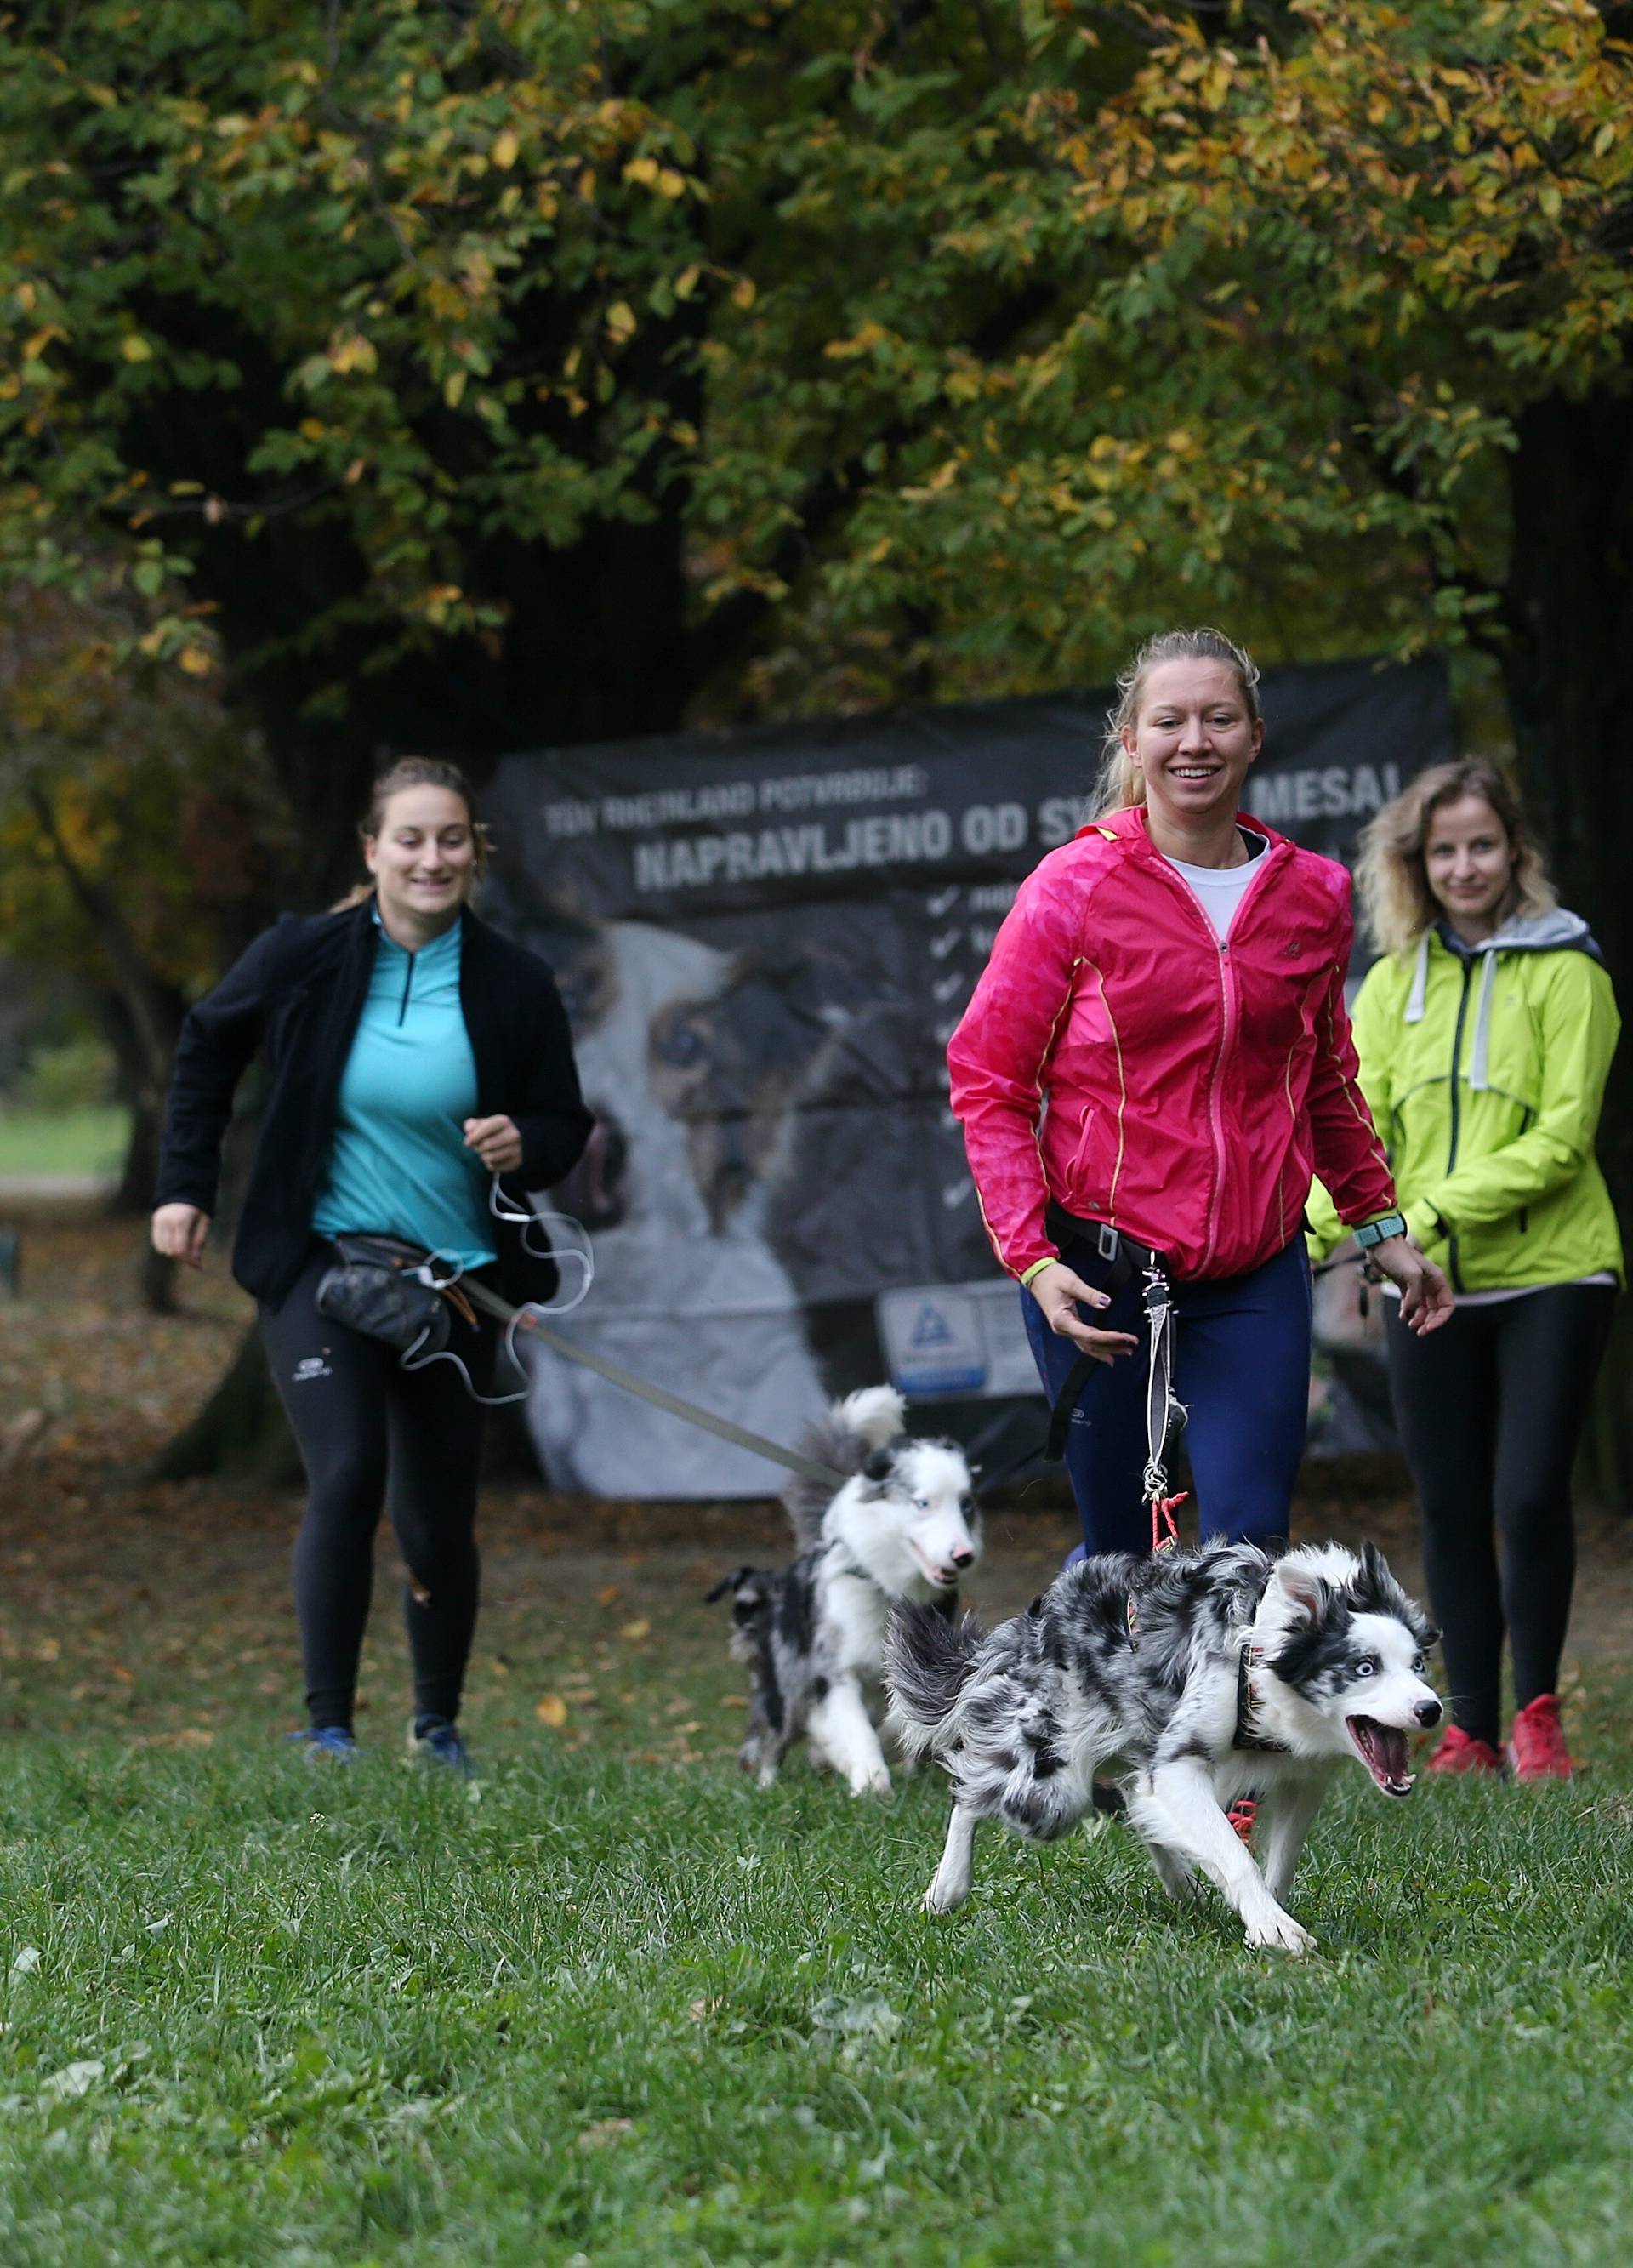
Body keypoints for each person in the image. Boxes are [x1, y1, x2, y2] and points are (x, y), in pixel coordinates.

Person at [947, 627, 1452, 1568]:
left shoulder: (1313, 894)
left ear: (1255, 735)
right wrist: (1032, 1258)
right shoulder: (1074, 886)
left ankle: (1218, 1717)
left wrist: (1381, 1229)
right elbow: (990, 1077)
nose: (1196, 741)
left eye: (1220, 718)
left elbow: (1326, 1079)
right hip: (1096, 1273)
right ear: (1132, 742)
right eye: (1170, 720)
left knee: (1246, 1550)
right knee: (1123, 1554)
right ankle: (1091, 1711)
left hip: (1253, 1276)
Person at [151, 758, 593, 1769]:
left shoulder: (515, 981)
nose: (430, 858)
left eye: (450, 840)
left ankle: (436, 1725)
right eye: (410, 838)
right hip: (323, 1264)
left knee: (436, 1521)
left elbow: (566, 1122)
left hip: (458, 1284)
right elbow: (207, 1044)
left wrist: (527, 1140)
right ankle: (328, 1729)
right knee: (347, 1474)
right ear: (372, 850)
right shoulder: (302, 954)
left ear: (473, 853)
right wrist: (185, 1184)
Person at [1308, 759, 1621, 1781]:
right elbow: (1357, 1135)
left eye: (1483, 843)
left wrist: (1415, 1216)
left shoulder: (1571, 970)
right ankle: (1472, 1731)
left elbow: (1561, 1141)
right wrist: (1303, 1235)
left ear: (1516, 852)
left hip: (1554, 1274)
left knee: (1527, 1494)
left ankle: (1538, 1714)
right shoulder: (1395, 984)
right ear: (1417, 863)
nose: (1464, 864)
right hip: (1421, 1279)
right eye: (1444, 849)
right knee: (1445, 1503)